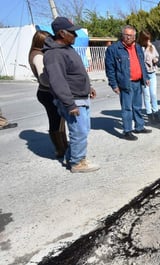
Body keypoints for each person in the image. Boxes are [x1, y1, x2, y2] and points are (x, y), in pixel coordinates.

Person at [43, 17, 99, 173]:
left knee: (83, 130)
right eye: (72, 33)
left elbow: (75, 73)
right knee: (78, 131)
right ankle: (77, 163)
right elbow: (57, 81)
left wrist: (89, 87)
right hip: (73, 100)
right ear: (62, 33)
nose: (75, 35)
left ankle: (71, 156)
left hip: (81, 96)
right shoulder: (54, 54)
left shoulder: (67, 49)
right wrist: (69, 104)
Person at [105, 25, 152, 141]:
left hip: (138, 82)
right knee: (127, 108)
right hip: (125, 83)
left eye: (131, 35)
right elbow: (110, 69)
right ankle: (127, 131)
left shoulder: (138, 47)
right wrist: (114, 84)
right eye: (126, 35)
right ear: (122, 35)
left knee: (137, 106)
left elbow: (142, 64)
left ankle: (139, 127)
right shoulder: (114, 49)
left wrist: (145, 77)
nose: (128, 38)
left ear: (135, 36)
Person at [29, 30, 68, 158]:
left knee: (60, 120)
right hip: (47, 93)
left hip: (49, 92)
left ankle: (64, 145)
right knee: (55, 120)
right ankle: (60, 148)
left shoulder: (40, 53)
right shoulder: (38, 56)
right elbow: (44, 79)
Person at [137, 30, 160, 124]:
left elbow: (157, 56)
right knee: (146, 95)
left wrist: (156, 59)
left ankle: (156, 112)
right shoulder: (139, 48)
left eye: (149, 39)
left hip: (152, 73)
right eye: (146, 39)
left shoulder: (152, 47)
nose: (148, 41)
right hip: (144, 74)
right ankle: (149, 113)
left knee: (153, 94)